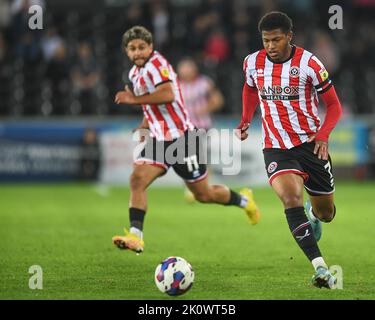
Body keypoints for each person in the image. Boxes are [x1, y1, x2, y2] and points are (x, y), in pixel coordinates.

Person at [112, 26, 260, 254]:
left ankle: (244, 200)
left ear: (150, 47)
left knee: (203, 194)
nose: (138, 52)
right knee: (137, 179)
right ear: (126, 51)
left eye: (142, 47)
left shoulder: (157, 65)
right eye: (132, 49)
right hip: (159, 140)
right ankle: (136, 236)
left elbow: (167, 94)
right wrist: (144, 124)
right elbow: (150, 105)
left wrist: (133, 98)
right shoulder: (134, 74)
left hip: (184, 140)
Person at [236, 12, 342, 289]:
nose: (270, 45)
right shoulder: (252, 63)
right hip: (276, 147)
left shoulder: (309, 63)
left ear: (289, 36)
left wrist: (323, 135)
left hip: (311, 145)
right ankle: (321, 268)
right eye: (266, 40)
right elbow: (249, 89)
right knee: (290, 197)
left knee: (326, 214)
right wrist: (246, 118)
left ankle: (314, 214)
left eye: (276, 39)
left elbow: (334, 105)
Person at [177, 57, 224, 202]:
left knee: (200, 158)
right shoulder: (175, 85)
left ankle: (201, 187)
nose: (185, 70)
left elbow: (218, 100)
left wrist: (205, 108)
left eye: (188, 67)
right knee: (187, 158)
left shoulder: (204, 83)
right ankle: (193, 187)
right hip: (183, 128)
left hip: (202, 126)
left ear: (194, 69)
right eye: (183, 68)